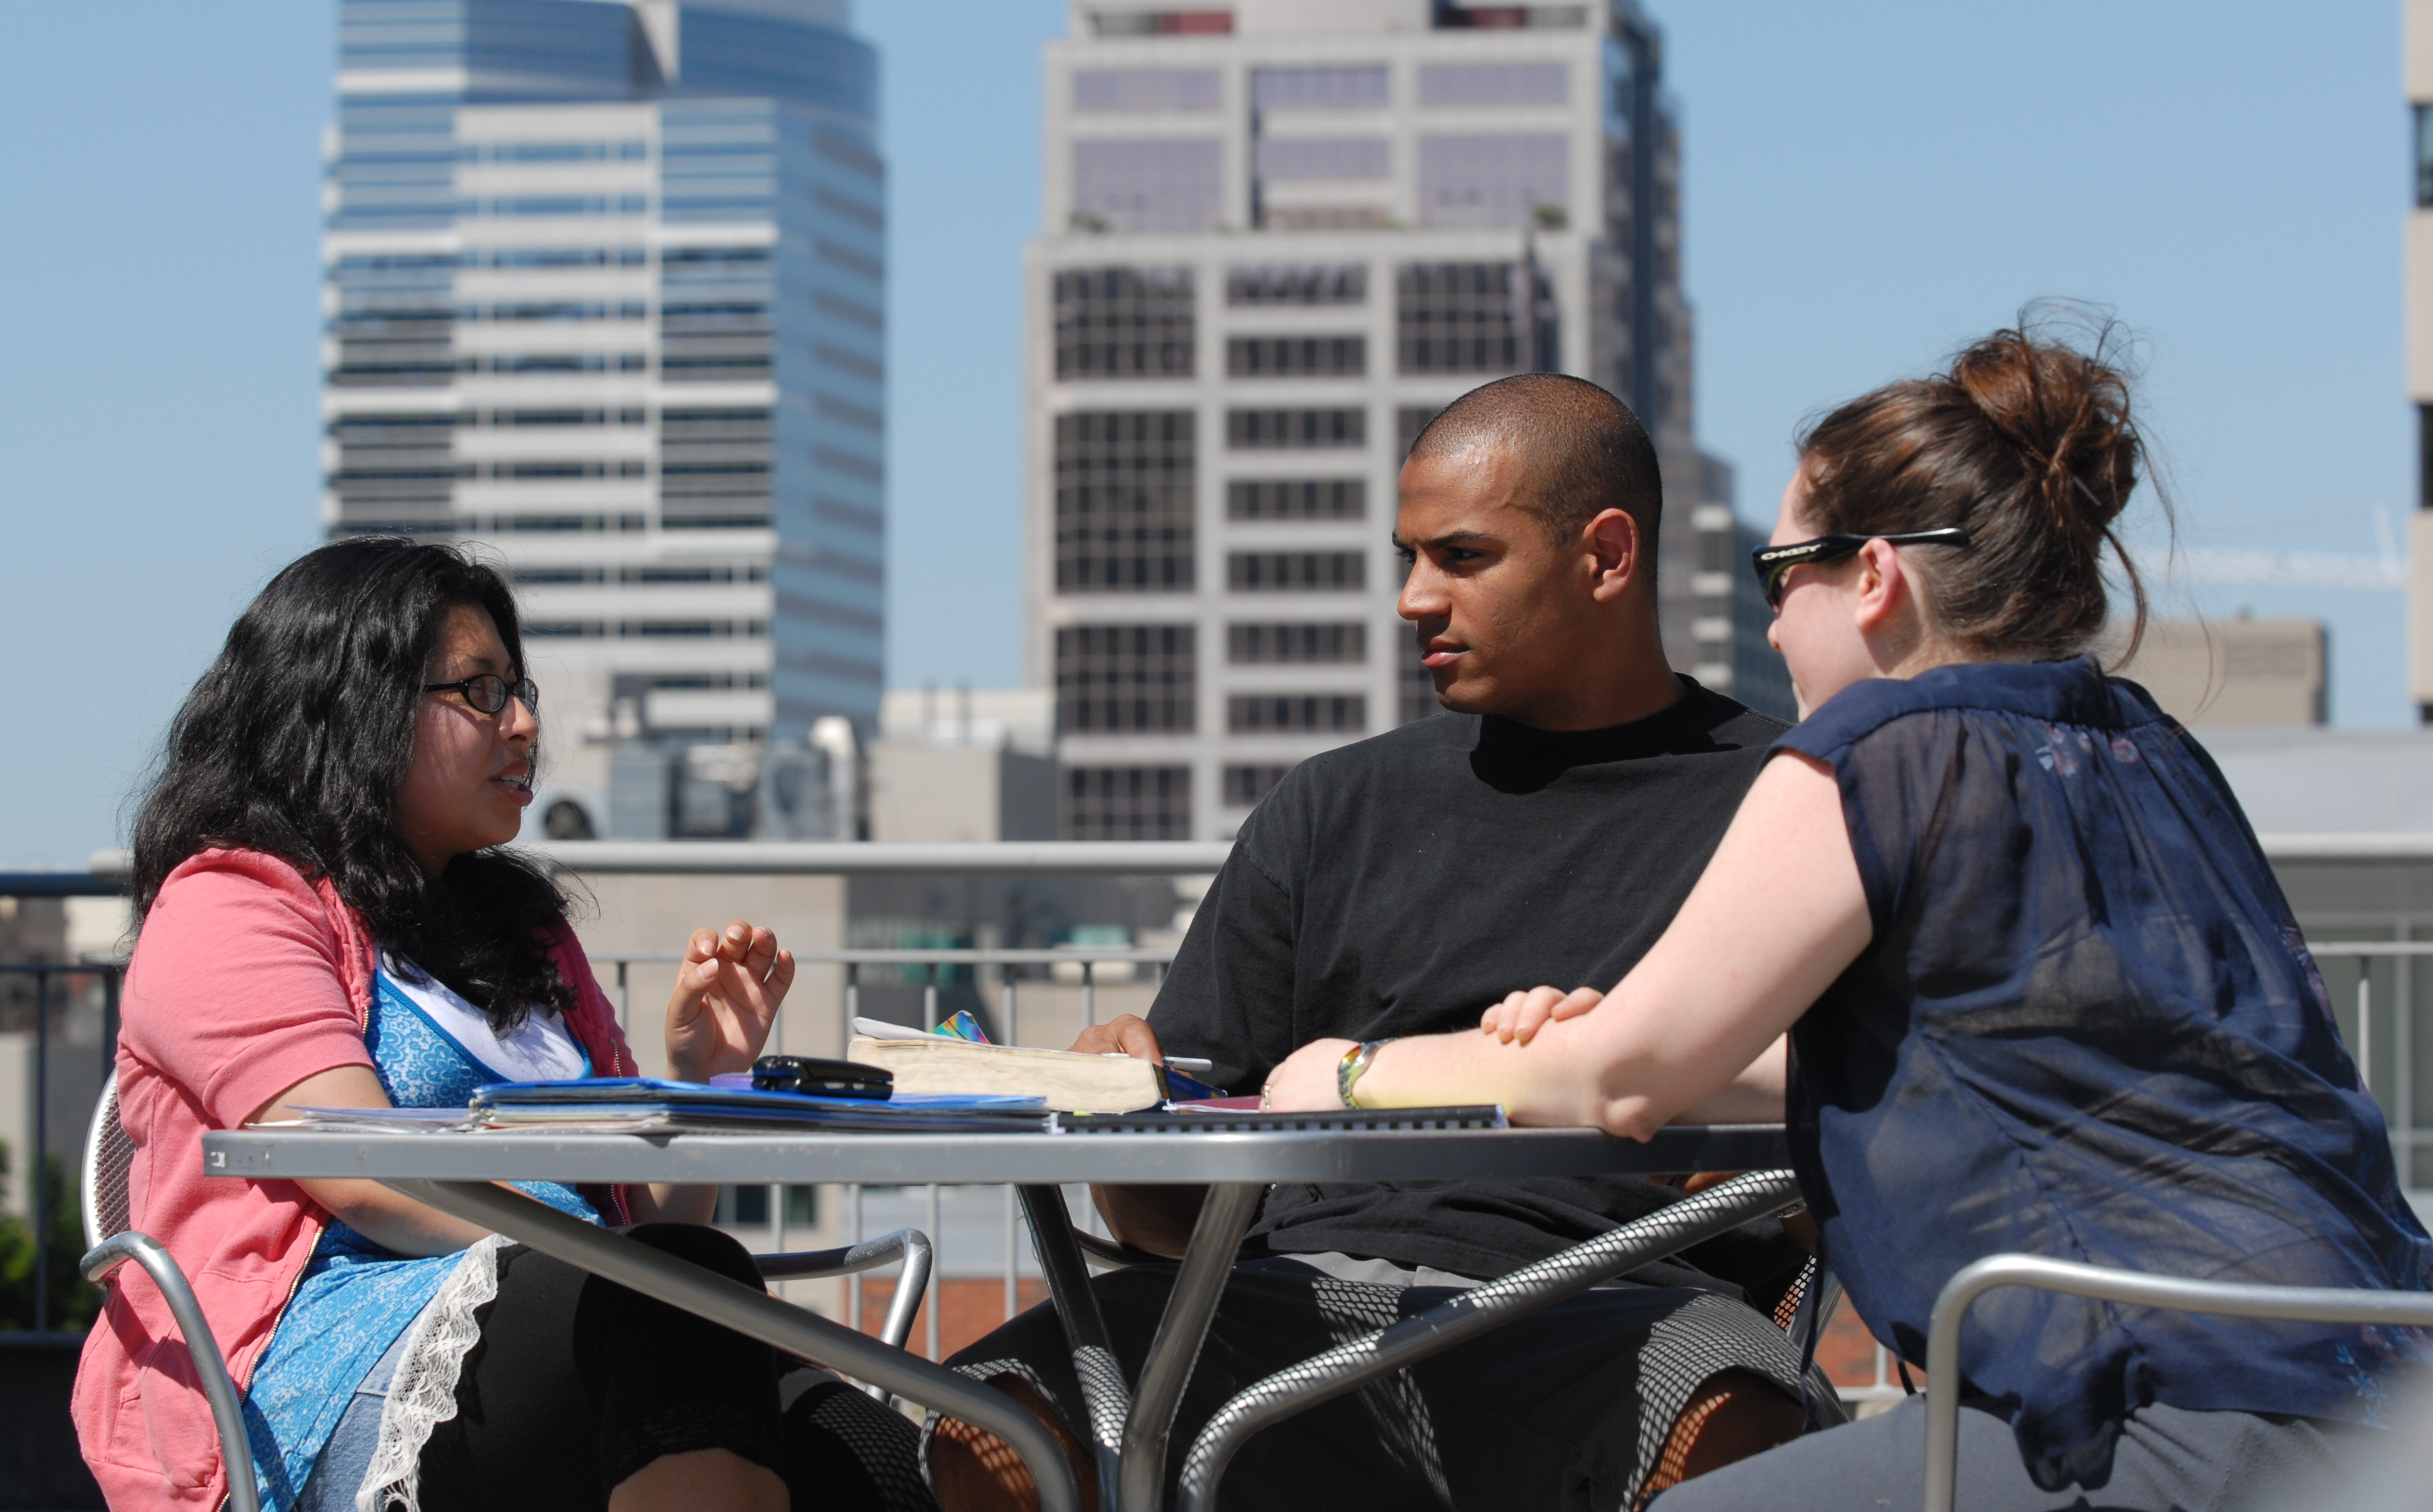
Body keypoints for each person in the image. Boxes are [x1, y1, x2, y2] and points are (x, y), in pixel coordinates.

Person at [1262, 322, 2433, 1509]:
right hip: (2377, 1382)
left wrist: (1351, 1073)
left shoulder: (1875, 750)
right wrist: (1607, 1044)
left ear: (1872, 576)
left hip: (2160, 1404)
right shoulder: (2139, 742)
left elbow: (1621, 1082)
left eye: (1783, 577)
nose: (1771, 626)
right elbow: (1989, 1057)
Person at [931, 374, 1832, 1512]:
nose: (1413, 599)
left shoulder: (1788, 804)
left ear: (1605, 557)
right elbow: (1162, 1227)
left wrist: (1767, 1162)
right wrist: (1125, 1116)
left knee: (1739, 1425)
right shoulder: (1332, 809)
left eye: (1460, 559)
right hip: (1292, 1300)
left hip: (1611, 1305)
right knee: (995, 1422)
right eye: (1405, 558)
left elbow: (1844, 1143)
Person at [72, 538, 934, 1512]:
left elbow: (646, 1222)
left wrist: (711, 1078)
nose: (523, 725)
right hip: (340, 1357)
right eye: (481, 693)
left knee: (883, 1466)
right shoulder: (235, 904)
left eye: (518, 691)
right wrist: (624, 1264)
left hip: (607, 1319)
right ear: (356, 704)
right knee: (682, 1302)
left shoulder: (529, 937)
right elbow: (364, 1174)